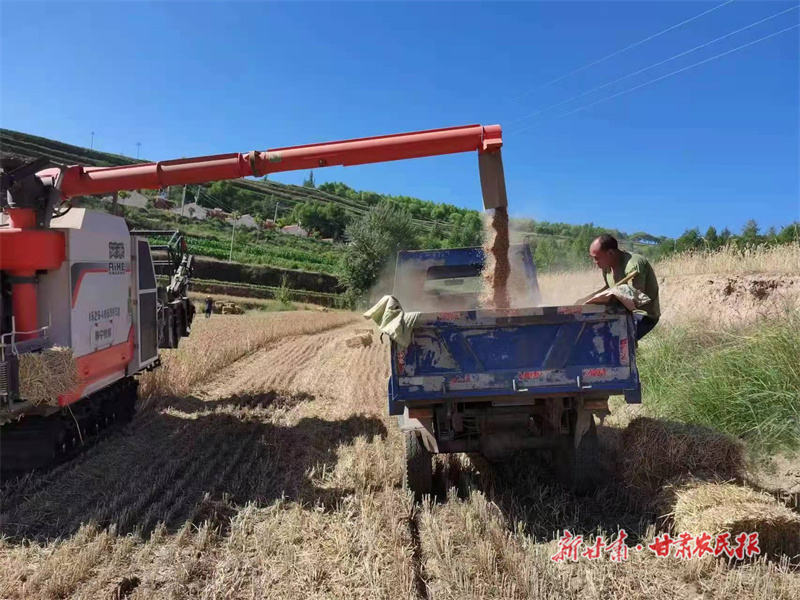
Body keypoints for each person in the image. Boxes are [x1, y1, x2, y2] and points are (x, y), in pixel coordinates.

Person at [589, 234, 660, 341]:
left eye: (597, 258)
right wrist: (588, 300)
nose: (595, 262)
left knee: (616, 342)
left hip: (642, 316)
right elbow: (609, 289)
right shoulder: (606, 268)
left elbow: (635, 300)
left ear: (610, 253)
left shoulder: (633, 265)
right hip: (620, 314)